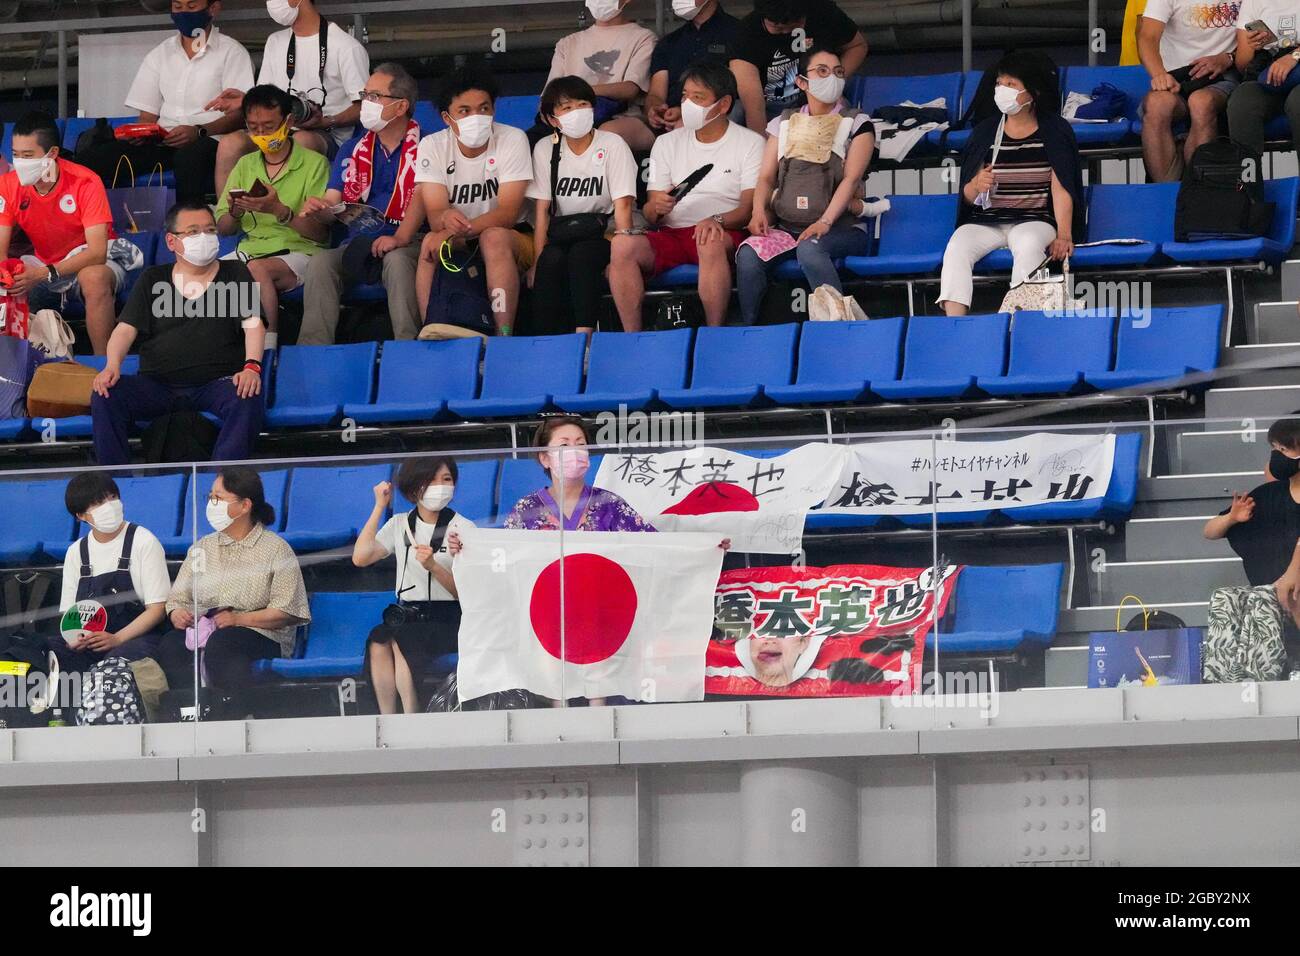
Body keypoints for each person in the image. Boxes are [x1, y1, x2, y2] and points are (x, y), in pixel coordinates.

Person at [91, 200, 265, 466]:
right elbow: (125, 330)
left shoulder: (235, 273)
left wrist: (251, 366)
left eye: (209, 230)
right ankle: (116, 483)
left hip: (217, 383)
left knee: (248, 394)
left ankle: (222, 482)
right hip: (157, 385)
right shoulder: (153, 278)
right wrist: (112, 365)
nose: (204, 237)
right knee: (106, 394)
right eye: (193, 232)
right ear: (171, 242)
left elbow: (253, 324)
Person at [608, 59, 763, 331]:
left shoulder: (750, 143)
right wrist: (658, 206)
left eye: (698, 97)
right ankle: (632, 336)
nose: (687, 103)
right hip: (672, 233)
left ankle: (714, 332)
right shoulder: (666, 143)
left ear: (724, 104)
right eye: (685, 96)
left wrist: (715, 220)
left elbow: (748, 208)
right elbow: (649, 212)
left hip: (724, 232)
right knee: (622, 245)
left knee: (709, 239)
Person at [155, 467, 310, 719]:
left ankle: (232, 716)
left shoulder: (276, 549)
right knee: (171, 644)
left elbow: (286, 611)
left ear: (245, 505)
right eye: (210, 497)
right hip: (208, 630)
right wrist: (177, 613)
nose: (211, 503)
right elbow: (177, 598)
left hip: (260, 634)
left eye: (219, 498)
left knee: (224, 643)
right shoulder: (202, 548)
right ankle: (191, 714)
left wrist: (238, 620)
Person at [939, 51, 1084, 317]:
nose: (1002, 90)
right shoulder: (984, 132)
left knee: (1028, 243)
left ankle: (1019, 320)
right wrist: (975, 184)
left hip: (1034, 219)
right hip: (987, 221)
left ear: (1032, 93)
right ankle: (954, 323)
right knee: (957, 245)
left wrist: (1064, 234)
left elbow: (1061, 185)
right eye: (999, 83)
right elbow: (968, 197)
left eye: (1011, 84)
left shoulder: (1054, 130)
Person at [738, 46, 873, 325]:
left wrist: (825, 221)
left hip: (841, 228)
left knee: (811, 248)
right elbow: (765, 178)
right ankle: (750, 329)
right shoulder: (782, 123)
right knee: (750, 253)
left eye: (837, 72)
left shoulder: (858, 123)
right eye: (822, 71)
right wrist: (758, 211)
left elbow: (850, 179)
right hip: (788, 229)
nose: (831, 78)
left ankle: (840, 326)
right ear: (801, 82)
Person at [298, 63, 425, 344]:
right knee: (320, 263)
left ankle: (408, 347)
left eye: (374, 96)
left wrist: (399, 238)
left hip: (409, 240)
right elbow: (333, 203)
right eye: (364, 95)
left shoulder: (429, 146)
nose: (365, 103)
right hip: (359, 244)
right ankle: (313, 350)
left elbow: (429, 200)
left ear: (401, 106)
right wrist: (322, 209)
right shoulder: (352, 148)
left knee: (397, 260)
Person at [79, 0, 253, 203]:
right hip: (164, 140)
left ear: (213, 9)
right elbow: (147, 114)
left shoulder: (232, 52)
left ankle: (191, 223)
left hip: (210, 139)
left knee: (189, 157)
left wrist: (198, 131)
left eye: (191, 7)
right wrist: (142, 133)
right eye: (178, 7)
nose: (184, 13)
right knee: (91, 160)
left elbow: (240, 115)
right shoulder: (160, 54)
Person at [0, 111, 142, 355]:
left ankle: (103, 366)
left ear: (52, 154)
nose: (20, 162)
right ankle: (15, 372)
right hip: (43, 267)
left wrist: (44, 273)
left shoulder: (85, 182)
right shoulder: (8, 185)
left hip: (89, 262)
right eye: (15, 155)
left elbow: (97, 252)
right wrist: (8, 276)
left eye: (27, 156)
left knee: (94, 278)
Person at [413, 67, 534, 336]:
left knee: (494, 237)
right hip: (462, 235)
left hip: (515, 237)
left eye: (484, 108)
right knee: (430, 245)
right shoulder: (432, 146)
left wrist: (454, 229)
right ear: (447, 117)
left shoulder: (513, 139)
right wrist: (444, 219)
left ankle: (504, 334)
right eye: (464, 111)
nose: (476, 117)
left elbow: (507, 214)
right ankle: (431, 329)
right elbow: (434, 214)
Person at [208, 0, 370, 195]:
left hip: (325, 134)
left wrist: (325, 121)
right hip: (275, 128)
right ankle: (226, 217)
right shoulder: (275, 41)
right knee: (230, 144)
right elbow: (267, 99)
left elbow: (365, 106)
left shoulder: (345, 46)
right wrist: (246, 101)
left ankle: (288, 216)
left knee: (301, 141)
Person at [352, 457, 474, 714]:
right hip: (408, 613)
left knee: (401, 639)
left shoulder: (462, 528)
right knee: (378, 639)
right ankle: (387, 717)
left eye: (446, 479)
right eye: (431, 480)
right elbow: (360, 557)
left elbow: (467, 594)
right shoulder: (399, 524)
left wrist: (433, 566)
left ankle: (411, 713)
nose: (440, 486)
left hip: (448, 617)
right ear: (413, 488)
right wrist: (378, 507)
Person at [215, 84, 329, 347]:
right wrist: (234, 211)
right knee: (202, 276)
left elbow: (321, 234)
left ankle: (266, 348)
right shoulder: (245, 165)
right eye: (254, 128)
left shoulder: (314, 164)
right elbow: (224, 228)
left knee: (256, 270)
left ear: (288, 122)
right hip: (250, 249)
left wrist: (278, 210)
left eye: (268, 126)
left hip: (298, 252)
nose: (261, 134)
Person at [527, 76, 638, 335]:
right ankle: (546, 340)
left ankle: (584, 337)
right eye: (566, 108)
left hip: (604, 233)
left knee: (582, 255)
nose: (576, 112)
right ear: (552, 119)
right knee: (550, 260)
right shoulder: (545, 149)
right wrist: (537, 261)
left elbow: (623, 207)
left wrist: (621, 257)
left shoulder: (612, 144)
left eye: (582, 104)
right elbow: (542, 212)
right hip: (562, 234)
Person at [51, 473, 171, 673]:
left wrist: (117, 639)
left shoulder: (144, 541)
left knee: (112, 666)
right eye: (98, 503)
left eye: (112, 498)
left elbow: (157, 609)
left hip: (138, 639)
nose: (109, 505)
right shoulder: (76, 551)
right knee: (44, 652)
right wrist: (76, 638)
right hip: (91, 643)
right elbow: (69, 612)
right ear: (80, 515)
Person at [1137, 0, 1241, 182]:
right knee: (1156, 104)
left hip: (1223, 76)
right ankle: (1166, 193)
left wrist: (1229, 58)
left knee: (1201, 102)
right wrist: (1159, 75)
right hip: (1176, 77)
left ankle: (1196, 193)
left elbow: (1261, 37)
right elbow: (1147, 37)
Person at [730, 0, 867, 133]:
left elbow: (857, 46)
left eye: (793, 25)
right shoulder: (745, 34)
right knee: (736, 113)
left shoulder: (822, 10)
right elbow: (754, 107)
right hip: (770, 108)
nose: (786, 32)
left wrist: (832, 82)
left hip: (818, 98)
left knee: (847, 120)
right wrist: (763, 149)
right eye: (777, 27)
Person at [547, 1, 658, 152]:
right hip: (568, 119)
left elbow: (630, 88)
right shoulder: (567, 43)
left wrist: (580, 93)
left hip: (621, 117)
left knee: (605, 135)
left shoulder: (643, 37)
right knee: (535, 141)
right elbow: (548, 95)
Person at [646, 0, 742, 134]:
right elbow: (656, 93)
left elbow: (741, 91)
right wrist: (656, 109)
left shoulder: (740, 34)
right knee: (614, 132)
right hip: (667, 122)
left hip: (713, 117)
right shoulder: (669, 42)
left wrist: (687, 112)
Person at [1226, 1, 1300, 155]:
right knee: (1242, 101)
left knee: (1297, 101)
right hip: (1268, 76)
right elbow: (1243, 66)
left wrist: (1293, 56)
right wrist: (1252, 46)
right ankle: (1248, 176)